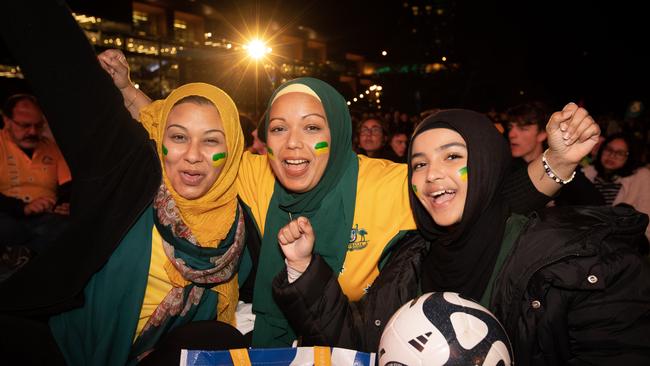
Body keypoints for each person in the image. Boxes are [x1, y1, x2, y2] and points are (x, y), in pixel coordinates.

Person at [271, 107, 650, 365]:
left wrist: (560, 160)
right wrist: (304, 268)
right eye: (419, 164)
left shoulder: (573, 265)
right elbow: (361, 345)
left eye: (452, 157)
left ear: (485, 164)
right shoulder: (408, 261)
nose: (431, 174)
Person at [0, 3, 257, 365]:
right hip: (68, 350)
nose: (194, 155)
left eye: (212, 140)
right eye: (179, 137)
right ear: (159, 138)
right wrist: (121, 86)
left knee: (219, 337)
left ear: (231, 152)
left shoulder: (242, 222)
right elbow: (59, 61)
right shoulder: (129, 180)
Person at [1, 94, 72, 256]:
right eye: (24, 125)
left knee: (66, 230)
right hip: (7, 215)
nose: (32, 132)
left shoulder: (51, 148)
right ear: (6, 120)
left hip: (45, 218)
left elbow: (68, 186)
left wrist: (65, 204)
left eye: (38, 126)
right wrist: (23, 208)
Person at [506, 101, 603, 206]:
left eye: (523, 128)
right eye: (510, 127)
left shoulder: (565, 165)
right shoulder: (503, 167)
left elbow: (597, 202)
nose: (511, 134)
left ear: (543, 134)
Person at [584, 133, 650, 241]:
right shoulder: (588, 172)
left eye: (620, 153)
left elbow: (646, 217)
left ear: (629, 157)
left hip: (622, 241)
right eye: (608, 149)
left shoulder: (641, 176)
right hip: (587, 236)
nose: (612, 156)